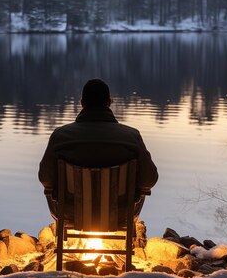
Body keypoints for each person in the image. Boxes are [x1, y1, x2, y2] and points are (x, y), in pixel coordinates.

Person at [38, 79, 158, 219]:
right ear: (108, 103)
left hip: (71, 213)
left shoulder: (60, 137)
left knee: (49, 190)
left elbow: (45, 178)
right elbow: (149, 180)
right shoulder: (131, 137)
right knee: (141, 190)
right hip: (120, 214)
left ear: (82, 104)